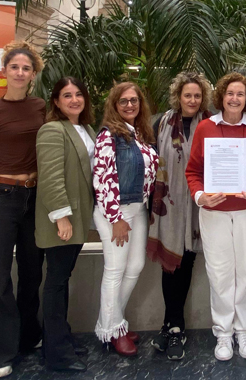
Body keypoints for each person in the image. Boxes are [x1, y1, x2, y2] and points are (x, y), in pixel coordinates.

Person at [0, 40, 46, 379]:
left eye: (26, 68)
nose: (20, 72)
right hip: (1, 197)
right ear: (4, 71)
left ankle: (29, 336)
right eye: (14, 67)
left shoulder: (41, 107)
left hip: (35, 198)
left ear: (33, 74)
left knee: (33, 271)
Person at [185, 72, 246, 361]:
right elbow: (193, 172)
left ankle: (244, 330)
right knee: (220, 274)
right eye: (230, 93)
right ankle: (223, 333)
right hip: (214, 212)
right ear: (221, 96)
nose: (235, 98)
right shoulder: (205, 128)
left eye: (240, 94)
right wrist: (200, 197)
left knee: (245, 271)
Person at [148, 72, 212, 360]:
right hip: (169, 207)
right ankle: (172, 324)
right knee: (169, 266)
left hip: (199, 206)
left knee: (185, 265)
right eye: (188, 95)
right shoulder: (161, 123)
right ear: (178, 96)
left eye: (197, 95)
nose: (192, 100)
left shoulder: (211, 124)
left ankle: (174, 327)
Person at [92, 82, 158, 356]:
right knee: (115, 271)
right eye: (123, 101)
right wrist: (115, 217)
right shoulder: (109, 136)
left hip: (138, 210)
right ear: (114, 105)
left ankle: (112, 321)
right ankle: (113, 330)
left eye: (134, 100)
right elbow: (102, 179)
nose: (130, 105)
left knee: (136, 266)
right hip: (115, 212)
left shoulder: (140, 134)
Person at [35, 77, 97, 371]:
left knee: (62, 281)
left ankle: (62, 339)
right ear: (56, 102)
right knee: (56, 284)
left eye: (78, 95)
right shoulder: (52, 129)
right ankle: (56, 354)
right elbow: (50, 177)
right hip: (61, 220)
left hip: (78, 217)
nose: (74, 100)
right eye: (67, 95)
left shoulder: (85, 129)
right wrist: (61, 217)